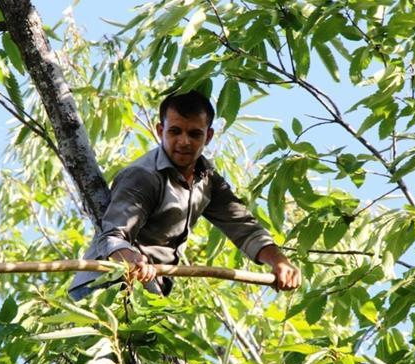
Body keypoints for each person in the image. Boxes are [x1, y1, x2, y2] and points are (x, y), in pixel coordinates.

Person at [69, 90, 300, 300]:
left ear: (208, 137)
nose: (184, 141)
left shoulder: (208, 181)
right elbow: (111, 238)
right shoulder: (143, 176)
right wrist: (132, 259)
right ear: (161, 131)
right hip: (103, 287)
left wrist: (279, 261)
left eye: (194, 134)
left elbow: (243, 227)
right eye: (175, 131)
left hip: (148, 291)